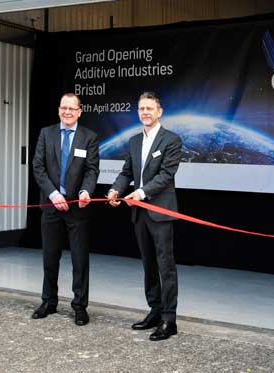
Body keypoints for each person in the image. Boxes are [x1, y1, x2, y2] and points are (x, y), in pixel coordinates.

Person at [107, 92, 182, 341]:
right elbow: (127, 171)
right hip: (139, 213)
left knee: (165, 266)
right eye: (141, 108)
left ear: (160, 111)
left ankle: (169, 320)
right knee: (149, 265)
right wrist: (115, 189)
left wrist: (140, 192)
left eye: (150, 108)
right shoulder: (133, 141)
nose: (145, 112)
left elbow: (166, 175)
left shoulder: (171, 140)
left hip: (160, 212)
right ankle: (155, 311)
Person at [31, 93, 99, 326]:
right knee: (50, 257)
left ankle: (80, 306)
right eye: (64, 108)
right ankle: (48, 301)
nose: (67, 112)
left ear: (80, 111)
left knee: (80, 260)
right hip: (51, 205)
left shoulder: (89, 137)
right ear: (59, 110)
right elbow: (38, 167)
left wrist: (85, 192)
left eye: (72, 108)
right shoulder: (46, 133)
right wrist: (53, 194)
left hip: (77, 209)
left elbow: (91, 171)